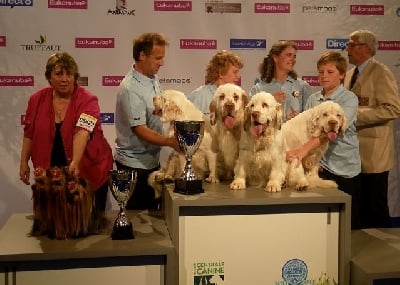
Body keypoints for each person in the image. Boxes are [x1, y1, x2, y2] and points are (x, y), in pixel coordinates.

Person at [19, 51, 113, 216]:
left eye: (69, 74)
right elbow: (29, 133)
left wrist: (75, 162)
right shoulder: (36, 100)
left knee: (85, 225)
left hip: (87, 171)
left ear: (75, 77)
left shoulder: (88, 100)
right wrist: (23, 162)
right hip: (52, 174)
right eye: (59, 74)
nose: (64, 79)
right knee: (54, 223)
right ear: (49, 77)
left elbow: (82, 131)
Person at [287, 51, 361, 229]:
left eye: (330, 72)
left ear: (342, 74)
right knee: (320, 223)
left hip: (344, 168)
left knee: (346, 226)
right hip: (318, 167)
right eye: (321, 72)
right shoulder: (313, 99)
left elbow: (330, 132)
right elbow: (309, 130)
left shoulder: (349, 99)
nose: (324, 76)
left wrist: (303, 149)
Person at [114, 32, 180, 210]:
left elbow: (157, 111)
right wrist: (170, 142)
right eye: (158, 58)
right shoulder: (129, 89)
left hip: (151, 162)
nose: (162, 63)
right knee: (137, 221)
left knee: (152, 217)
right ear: (142, 55)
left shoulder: (153, 78)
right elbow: (140, 129)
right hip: (133, 167)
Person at [344, 29, 400, 228]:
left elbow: (393, 108)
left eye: (351, 45)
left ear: (366, 48)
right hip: (352, 155)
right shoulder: (349, 73)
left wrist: (354, 114)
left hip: (374, 155)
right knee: (359, 209)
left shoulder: (381, 72)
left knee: (375, 209)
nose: (347, 49)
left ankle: (381, 256)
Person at [249, 40, 312, 121]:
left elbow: (311, 118)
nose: (293, 60)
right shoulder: (258, 89)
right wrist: (269, 101)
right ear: (275, 58)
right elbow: (250, 118)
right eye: (289, 55)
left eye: (294, 56)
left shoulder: (303, 86)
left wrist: (298, 120)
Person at [187, 50, 244, 115]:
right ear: (220, 73)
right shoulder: (199, 96)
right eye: (235, 72)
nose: (238, 76)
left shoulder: (238, 98)